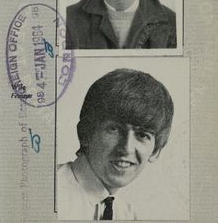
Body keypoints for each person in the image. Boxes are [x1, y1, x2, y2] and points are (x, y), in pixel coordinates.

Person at [57, 68, 174, 220]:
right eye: (114, 129)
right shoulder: (46, 194)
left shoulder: (127, 215)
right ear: (85, 133)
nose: (126, 148)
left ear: (156, 151)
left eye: (142, 135)